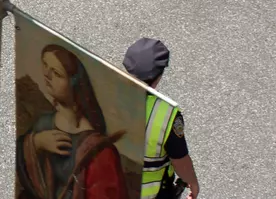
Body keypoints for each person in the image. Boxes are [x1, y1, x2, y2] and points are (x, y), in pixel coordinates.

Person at [16, 44, 125, 199]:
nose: (46, 74)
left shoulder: (100, 151)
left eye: (56, 73)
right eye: (45, 66)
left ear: (74, 84)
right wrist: (36, 143)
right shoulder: (43, 123)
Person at [123, 38, 200, 199]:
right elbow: (180, 160)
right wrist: (192, 182)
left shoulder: (102, 90)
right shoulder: (166, 115)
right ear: (158, 76)